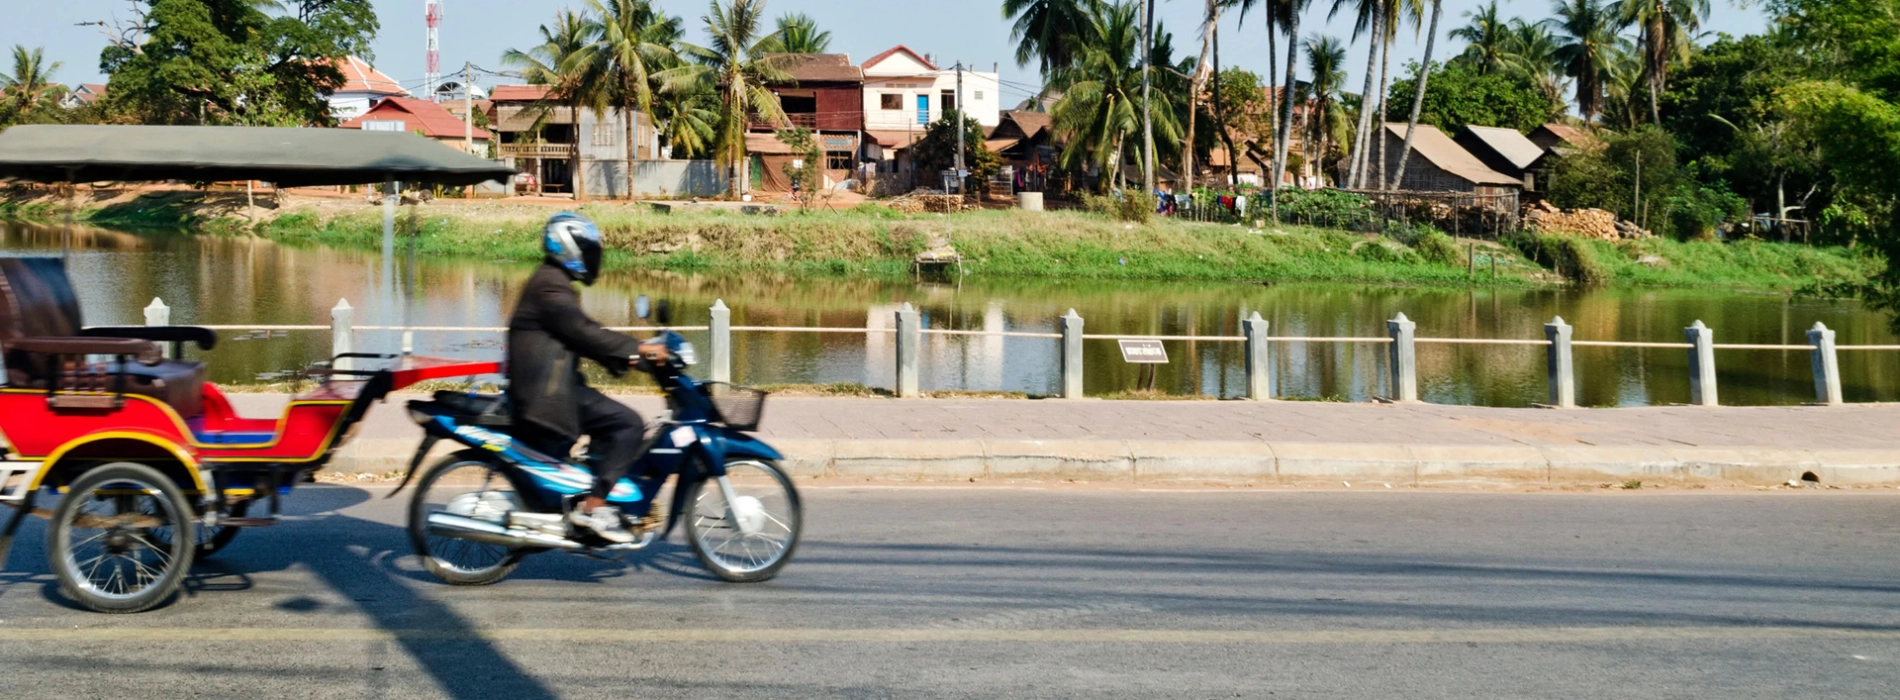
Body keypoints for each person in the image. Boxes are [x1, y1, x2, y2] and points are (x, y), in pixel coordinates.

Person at [506, 212, 667, 543]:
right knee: (628, 424)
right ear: (569, 247)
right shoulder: (551, 285)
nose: (594, 256)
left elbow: (578, 336)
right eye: (588, 248)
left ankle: (593, 496)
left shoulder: (553, 281)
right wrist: (638, 348)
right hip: (547, 394)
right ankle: (592, 508)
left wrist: (631, 357)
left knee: (612, 422)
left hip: (552, 386)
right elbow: (583, 331)